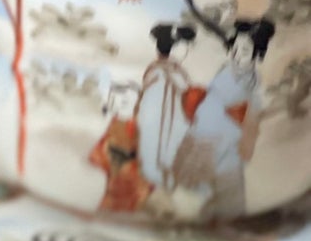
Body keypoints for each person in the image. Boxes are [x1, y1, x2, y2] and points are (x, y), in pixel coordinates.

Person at [174, 18, 275, 221]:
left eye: (244, 51)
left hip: (228, 149)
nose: (236, 56)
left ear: (258, 54)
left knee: (229, 204)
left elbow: (252, 119)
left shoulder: (253, 83)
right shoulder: (224, 73)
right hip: (204, 143)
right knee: (194, 201)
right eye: (234, 48)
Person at [135, 22, 197, 200]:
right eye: (185, 45)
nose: (188, 50)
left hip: (172, 127)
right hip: (161, 130)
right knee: (156, 163)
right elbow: (156, 111)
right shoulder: (162, 75)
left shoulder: (174, 73)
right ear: (173, 47)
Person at [89, 82, 152, 214]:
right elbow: (100, 151)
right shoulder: (116, 122)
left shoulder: (144, 126)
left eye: (127, 102)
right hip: (114, 170)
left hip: (133, 173)